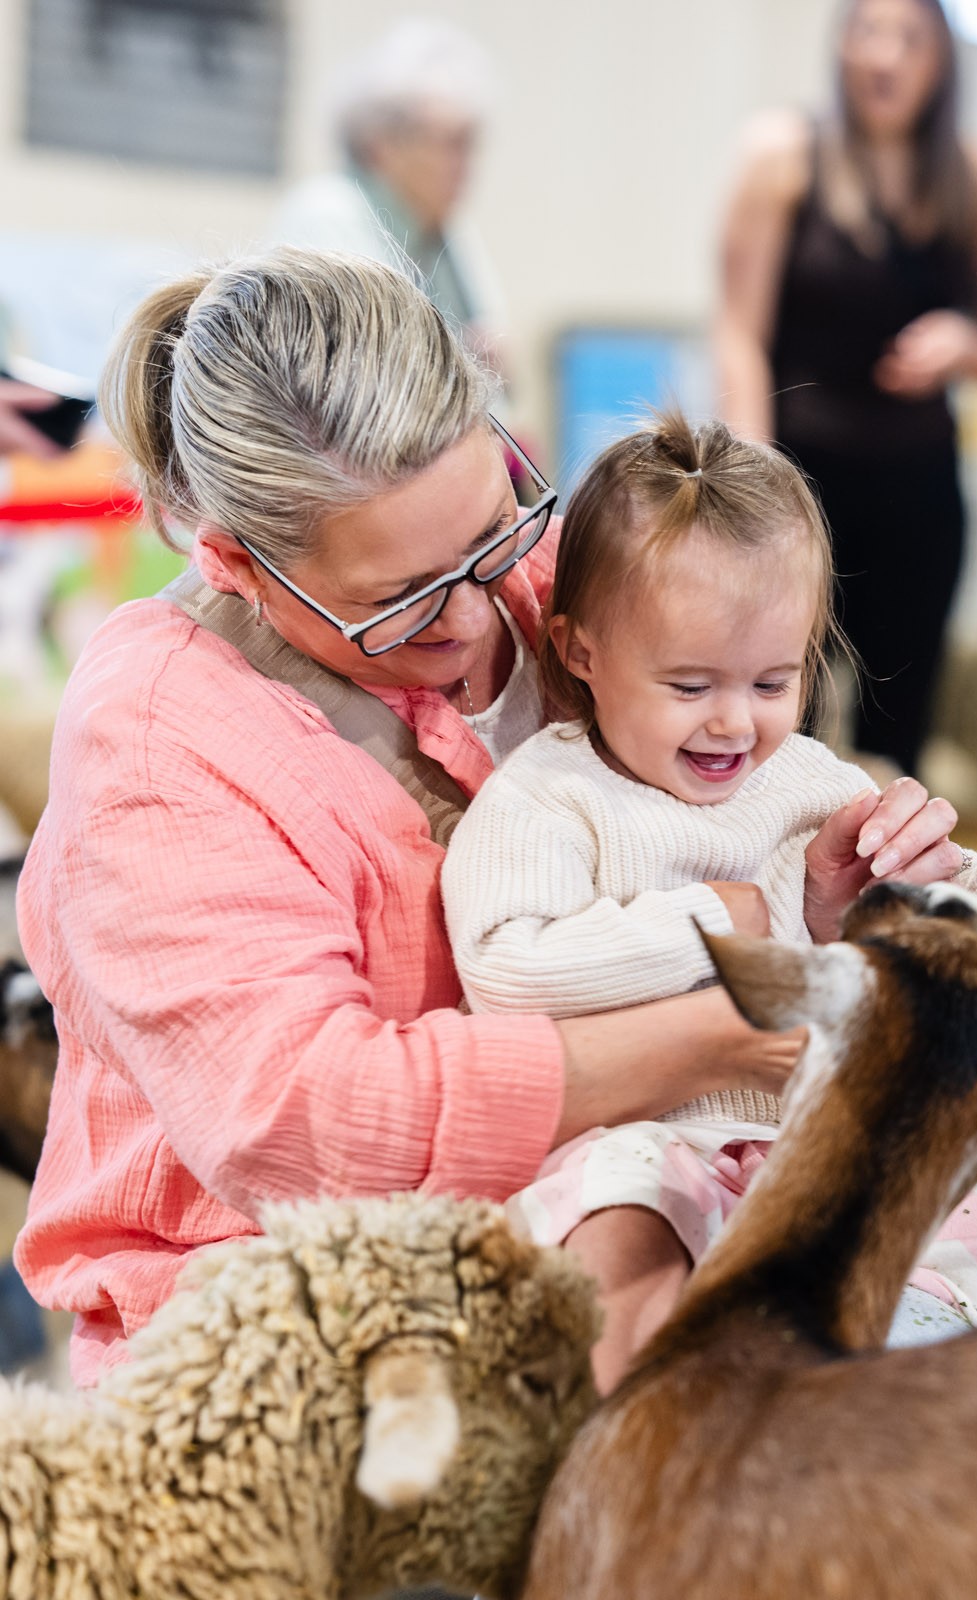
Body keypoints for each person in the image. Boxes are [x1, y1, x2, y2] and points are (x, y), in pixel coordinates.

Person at [11, 247, 810, 1387]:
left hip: (627, 1189)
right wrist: (710, 1039)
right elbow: (304, 1118)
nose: (480, 607)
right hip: (277, 1309)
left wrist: (833, 845)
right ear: (236, 561)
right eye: (401, 601)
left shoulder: (541, 575)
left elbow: (732, 763)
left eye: (494, 527)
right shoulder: (157, 739)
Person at [442, 411, 977, 1387]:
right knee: (619, 1228)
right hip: (643, 1136)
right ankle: (631, 1463)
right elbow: (507, 968)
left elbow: (923, 920)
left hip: (812, 1141)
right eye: (688, 684)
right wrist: (740, 916)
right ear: (579, 650)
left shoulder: (808, 780)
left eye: (774, 680)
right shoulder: (550, 798)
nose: (734, 721)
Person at [715, 0, 977, 780]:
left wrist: (963, 343)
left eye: (908, 38)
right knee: (786, 715)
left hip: (919, 493)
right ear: (841, 46)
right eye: (867, 31)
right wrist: (751, 481)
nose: (884, 55)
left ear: (941, 59)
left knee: (900, 723)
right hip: (802, 487)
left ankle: (888, 891)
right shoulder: (783, 158)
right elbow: (738, 330)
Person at [268, 18, 513, 388]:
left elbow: (494, 358)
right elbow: (351, 373)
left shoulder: (446, 227)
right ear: (381, 145)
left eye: (471, 142)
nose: (465, 164)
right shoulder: (327, 214)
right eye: (451, 142)